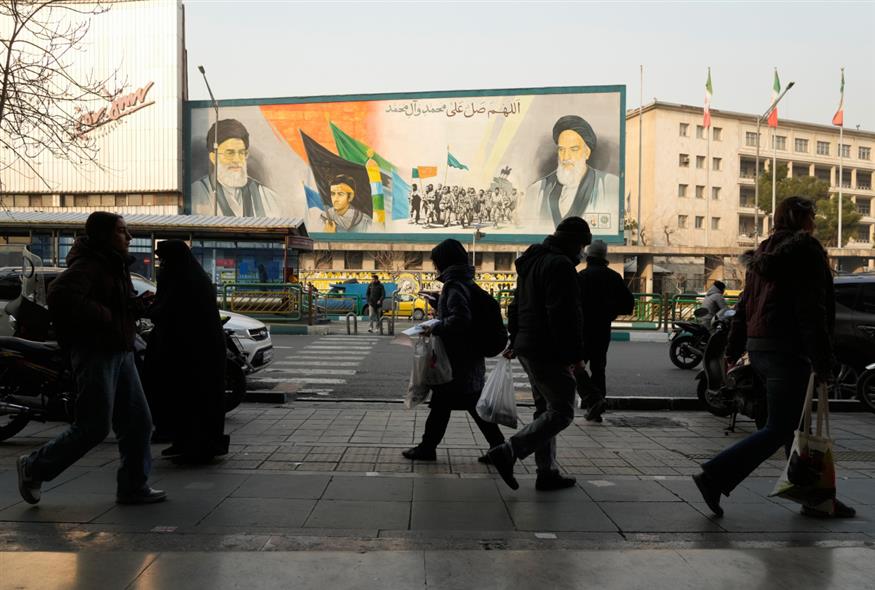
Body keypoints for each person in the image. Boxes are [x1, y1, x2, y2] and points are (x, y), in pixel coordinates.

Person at [692, 196, 855, 519]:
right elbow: (811, 310)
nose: (815, 222)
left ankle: (815, 498)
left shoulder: (763, 253)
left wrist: (734, 349)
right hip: (788, 350)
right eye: (813, 216)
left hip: (760, 347)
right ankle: (714, 476)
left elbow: (744, 306)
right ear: (802, 219)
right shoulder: (806, 251)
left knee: (795, 427)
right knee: (780, 427)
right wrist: (822, 360)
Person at [17, 212, 166, 505]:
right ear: (104, 236)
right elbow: (60, 295)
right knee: (94, 426)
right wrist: (109, 317)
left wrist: (132, 306)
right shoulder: (90, 263)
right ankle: (34, 466)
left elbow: (108, 300)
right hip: (96, 350)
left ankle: (134, 486)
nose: (130, 237)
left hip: (119, 350)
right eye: (123, 231)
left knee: (138, 422)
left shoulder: (112, 263)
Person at [487, 217, 592, 491]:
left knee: (545, 409)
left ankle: (547, 472)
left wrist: (515, 337)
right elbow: (565, 316)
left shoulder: (531, 262)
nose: (582, 252)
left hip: (528, 346)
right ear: (573, 243)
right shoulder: (560, 266)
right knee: (562, 412)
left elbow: (515, 305)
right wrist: (574, 357)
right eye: (581, 245)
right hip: (549, 349)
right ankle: (509, 452)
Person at [402, 239, 505, 462]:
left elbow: (460, 319)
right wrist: (439, 302)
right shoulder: (465, 282)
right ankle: (498, 447)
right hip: (467, 357)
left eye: (436, 262)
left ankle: (428, 448)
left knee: (447, 402)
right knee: (455, 403)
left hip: (457, 359)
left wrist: (435, 326)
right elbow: (461, 310)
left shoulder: (454, 285)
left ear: (443, 262)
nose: (435, 267)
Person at [145, 239, 229, 464]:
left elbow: (169, 311)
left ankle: (197, 447)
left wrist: (147, 309)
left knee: (194, 400)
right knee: (185, 400)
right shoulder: (188, 275)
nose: (161, 264)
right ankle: (184, 443)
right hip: (191, 350)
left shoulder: (184, 279)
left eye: (163, 259)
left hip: (195, 353)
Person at [520, 115, 620, 231]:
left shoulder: (609, 186)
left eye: (574, 149)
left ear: (587, 152)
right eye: (562, 149)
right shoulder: (537, 190)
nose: (566, 157)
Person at [576, 240, 634, 422]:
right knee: (599, 368)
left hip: (582, 329)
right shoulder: (614, 277)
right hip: (602, 329)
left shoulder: (581, 276)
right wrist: (610, 312)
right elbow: (628, 304)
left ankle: (592, 399)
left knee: (576, 367)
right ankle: (598, 406)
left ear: (588, 256)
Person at [191, 119, 283, 217]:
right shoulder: (197, 193)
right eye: (230, 153)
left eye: (242, 153)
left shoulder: (267, 197)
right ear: (213, 157)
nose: (237, 160)